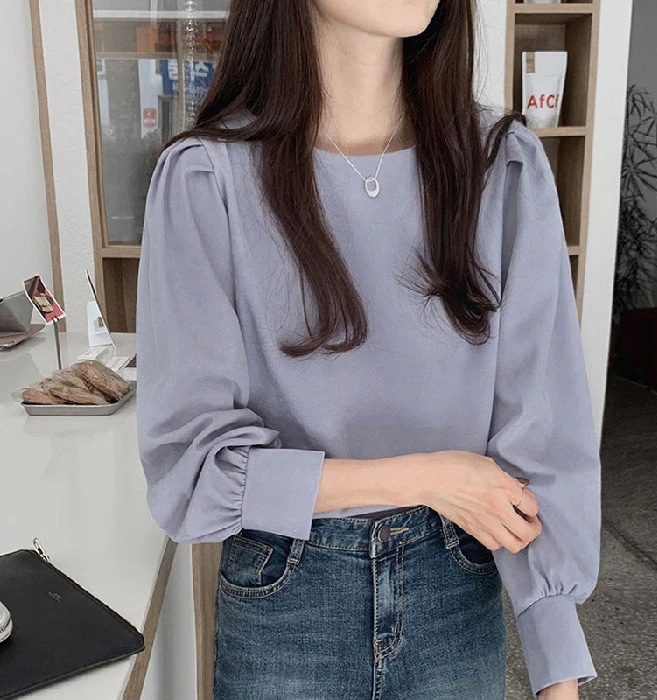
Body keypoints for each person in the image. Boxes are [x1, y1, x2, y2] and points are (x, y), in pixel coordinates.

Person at [135, 1, 601, 698]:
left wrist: (556, 657)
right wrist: (426, 479)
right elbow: (193, 472)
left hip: (459, 588)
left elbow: (544, 430)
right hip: (288, 598)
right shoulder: (206, 178)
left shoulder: (501, 163)